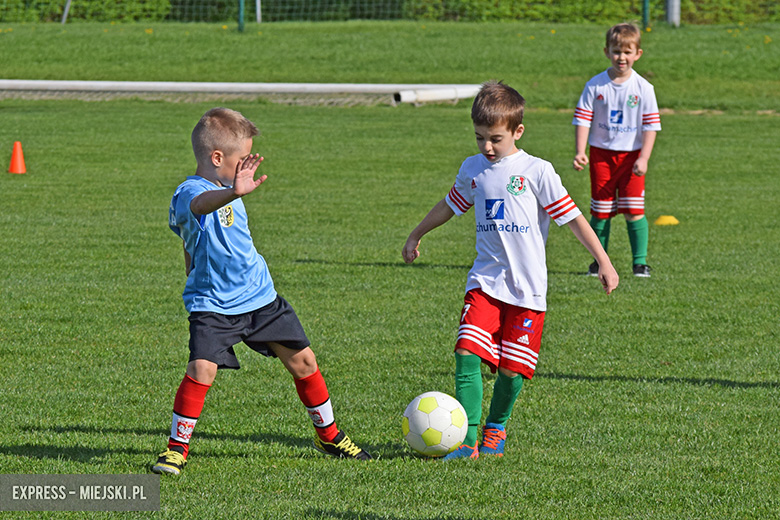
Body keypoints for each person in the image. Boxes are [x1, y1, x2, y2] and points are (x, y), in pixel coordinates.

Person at [402, 81, 619, 459]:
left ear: (518, 131)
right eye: (480, 137)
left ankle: (495, 430)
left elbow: (573, 219)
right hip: (485, 281)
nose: (487, 147)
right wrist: (417, 233)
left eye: (495, 139)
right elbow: (450, 205)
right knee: (466, 351)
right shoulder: (473, 169)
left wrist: (604, 260)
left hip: (527, 289)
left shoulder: (537, 171)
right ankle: (467, 438)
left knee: (511, 371)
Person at [152, 107, 371, 475]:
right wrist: (232, 193)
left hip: (260, 297)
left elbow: (196, 243)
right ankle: (176, 450)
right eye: (242, 160)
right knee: (201, 369)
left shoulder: (228, 189)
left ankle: (329, 435)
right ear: (217, 157)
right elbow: (198, 208)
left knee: (305, 363)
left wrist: (233, 191)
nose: (247, 168)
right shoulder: (190, 192)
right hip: (214, 305)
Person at [572, 22, 662, 278]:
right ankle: (599, 262)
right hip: (601, 156)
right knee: (600, 212)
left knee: (634, 211)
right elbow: (583, 119)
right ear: (606, 52)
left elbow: (651, 126)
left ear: (638, 54)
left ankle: (640, 263)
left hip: (632, 158)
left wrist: (644, 157)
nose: (621, 57)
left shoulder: (644, 88)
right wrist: (581, 151)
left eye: (627, 52)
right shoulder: (595, 85)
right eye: (616, 51)